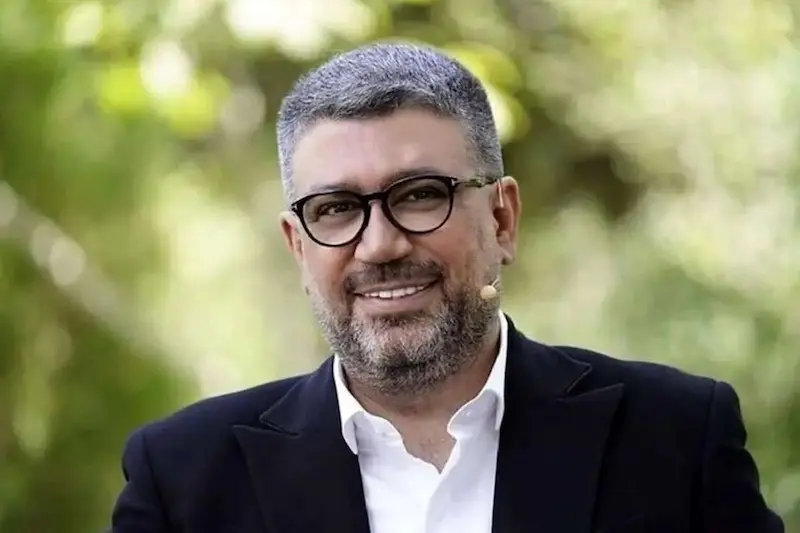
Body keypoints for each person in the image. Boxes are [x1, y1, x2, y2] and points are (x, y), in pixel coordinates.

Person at [109, 41, 785, 533]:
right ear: (298, 245)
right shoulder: (183, 480)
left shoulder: (676, 440)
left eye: (421, 194)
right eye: (336, 209)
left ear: (502, 219)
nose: (381, 245)